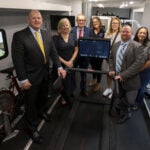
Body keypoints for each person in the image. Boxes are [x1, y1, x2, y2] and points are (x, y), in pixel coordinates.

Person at [11, 10, 66, 144]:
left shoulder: (47, 34)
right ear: (28, 20)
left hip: (44, 75)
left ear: (42, 20)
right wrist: (23, 79)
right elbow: (17, 60)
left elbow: (53, 52)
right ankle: (31, 127)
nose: (37, 20)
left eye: (39, 18)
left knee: (43, 98)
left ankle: (41, 112)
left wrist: (59, 67)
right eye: (34, 18)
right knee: (30, 104)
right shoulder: (19, 36)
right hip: (30, 78)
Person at [109, 25, 146, 124]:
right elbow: (111, 58)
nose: (125, 33)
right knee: (119, 95)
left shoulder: (138, 46)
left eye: (127, 32)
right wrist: (112, 69)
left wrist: (123, 75)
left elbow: (138, 65)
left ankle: (126, 113)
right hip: (117, 77)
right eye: (123, 31)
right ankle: (124, 111)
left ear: (132, 33)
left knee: (130, 101)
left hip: (131, 80)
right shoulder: (116, 45)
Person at [52, 18, 78, 106]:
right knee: (63, 82)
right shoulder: (55, 37)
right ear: (60, 27)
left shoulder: (73, 35)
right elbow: (54, 53)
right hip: (61, 64)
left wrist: (71, 61)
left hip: (71, 63)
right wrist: (66, 62)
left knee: (71, 80)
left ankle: (70, 93)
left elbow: (76, 50)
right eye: (63, 25)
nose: (65, 27)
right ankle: (64, 97)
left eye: (67, 25)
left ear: (69, 26)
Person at [71, 13, 91, 97]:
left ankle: (83, 89)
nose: (81, 21)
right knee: (72, 73)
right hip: (73, 56)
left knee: (84, 74)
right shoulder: (71, 30)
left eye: (83, 20)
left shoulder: (89, 30)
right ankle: (71, 90)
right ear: (77, 21)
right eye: (80, 20)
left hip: (85, 56)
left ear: (85, 21)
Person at [103, 17, 122, 99]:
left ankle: (114, 91)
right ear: (111, 24)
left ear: (119, 25)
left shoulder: (121, 34)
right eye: (113, 23)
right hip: (108, 58)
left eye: (116, 23)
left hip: (118, 58)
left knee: (117, 75)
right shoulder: (107, 34)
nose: (114, 25)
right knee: (109, 73)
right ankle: (109, 88)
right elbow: (104, 45)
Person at [133, 27, 150, 110]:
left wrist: (140, 69)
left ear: (147, 35)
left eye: (144, 33)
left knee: (141, 87)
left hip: (145, 70)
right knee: (133, 86)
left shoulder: (149, 45)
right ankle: (130, 100)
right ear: (137, 33)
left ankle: (136, 103)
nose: (142, 34)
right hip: (133, 69)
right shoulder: (133, 42)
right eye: (141, 32)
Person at [88, 16, 105, 92]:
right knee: (93, 67)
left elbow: (105, 43)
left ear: (99, 22)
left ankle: (98, 83)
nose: (95, 23)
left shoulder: (103, 31)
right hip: (91, 53)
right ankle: (94, 79)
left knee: (98, 68)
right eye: (94, 22)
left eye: (96, 22)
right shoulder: (90, 31)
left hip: (99, 54)